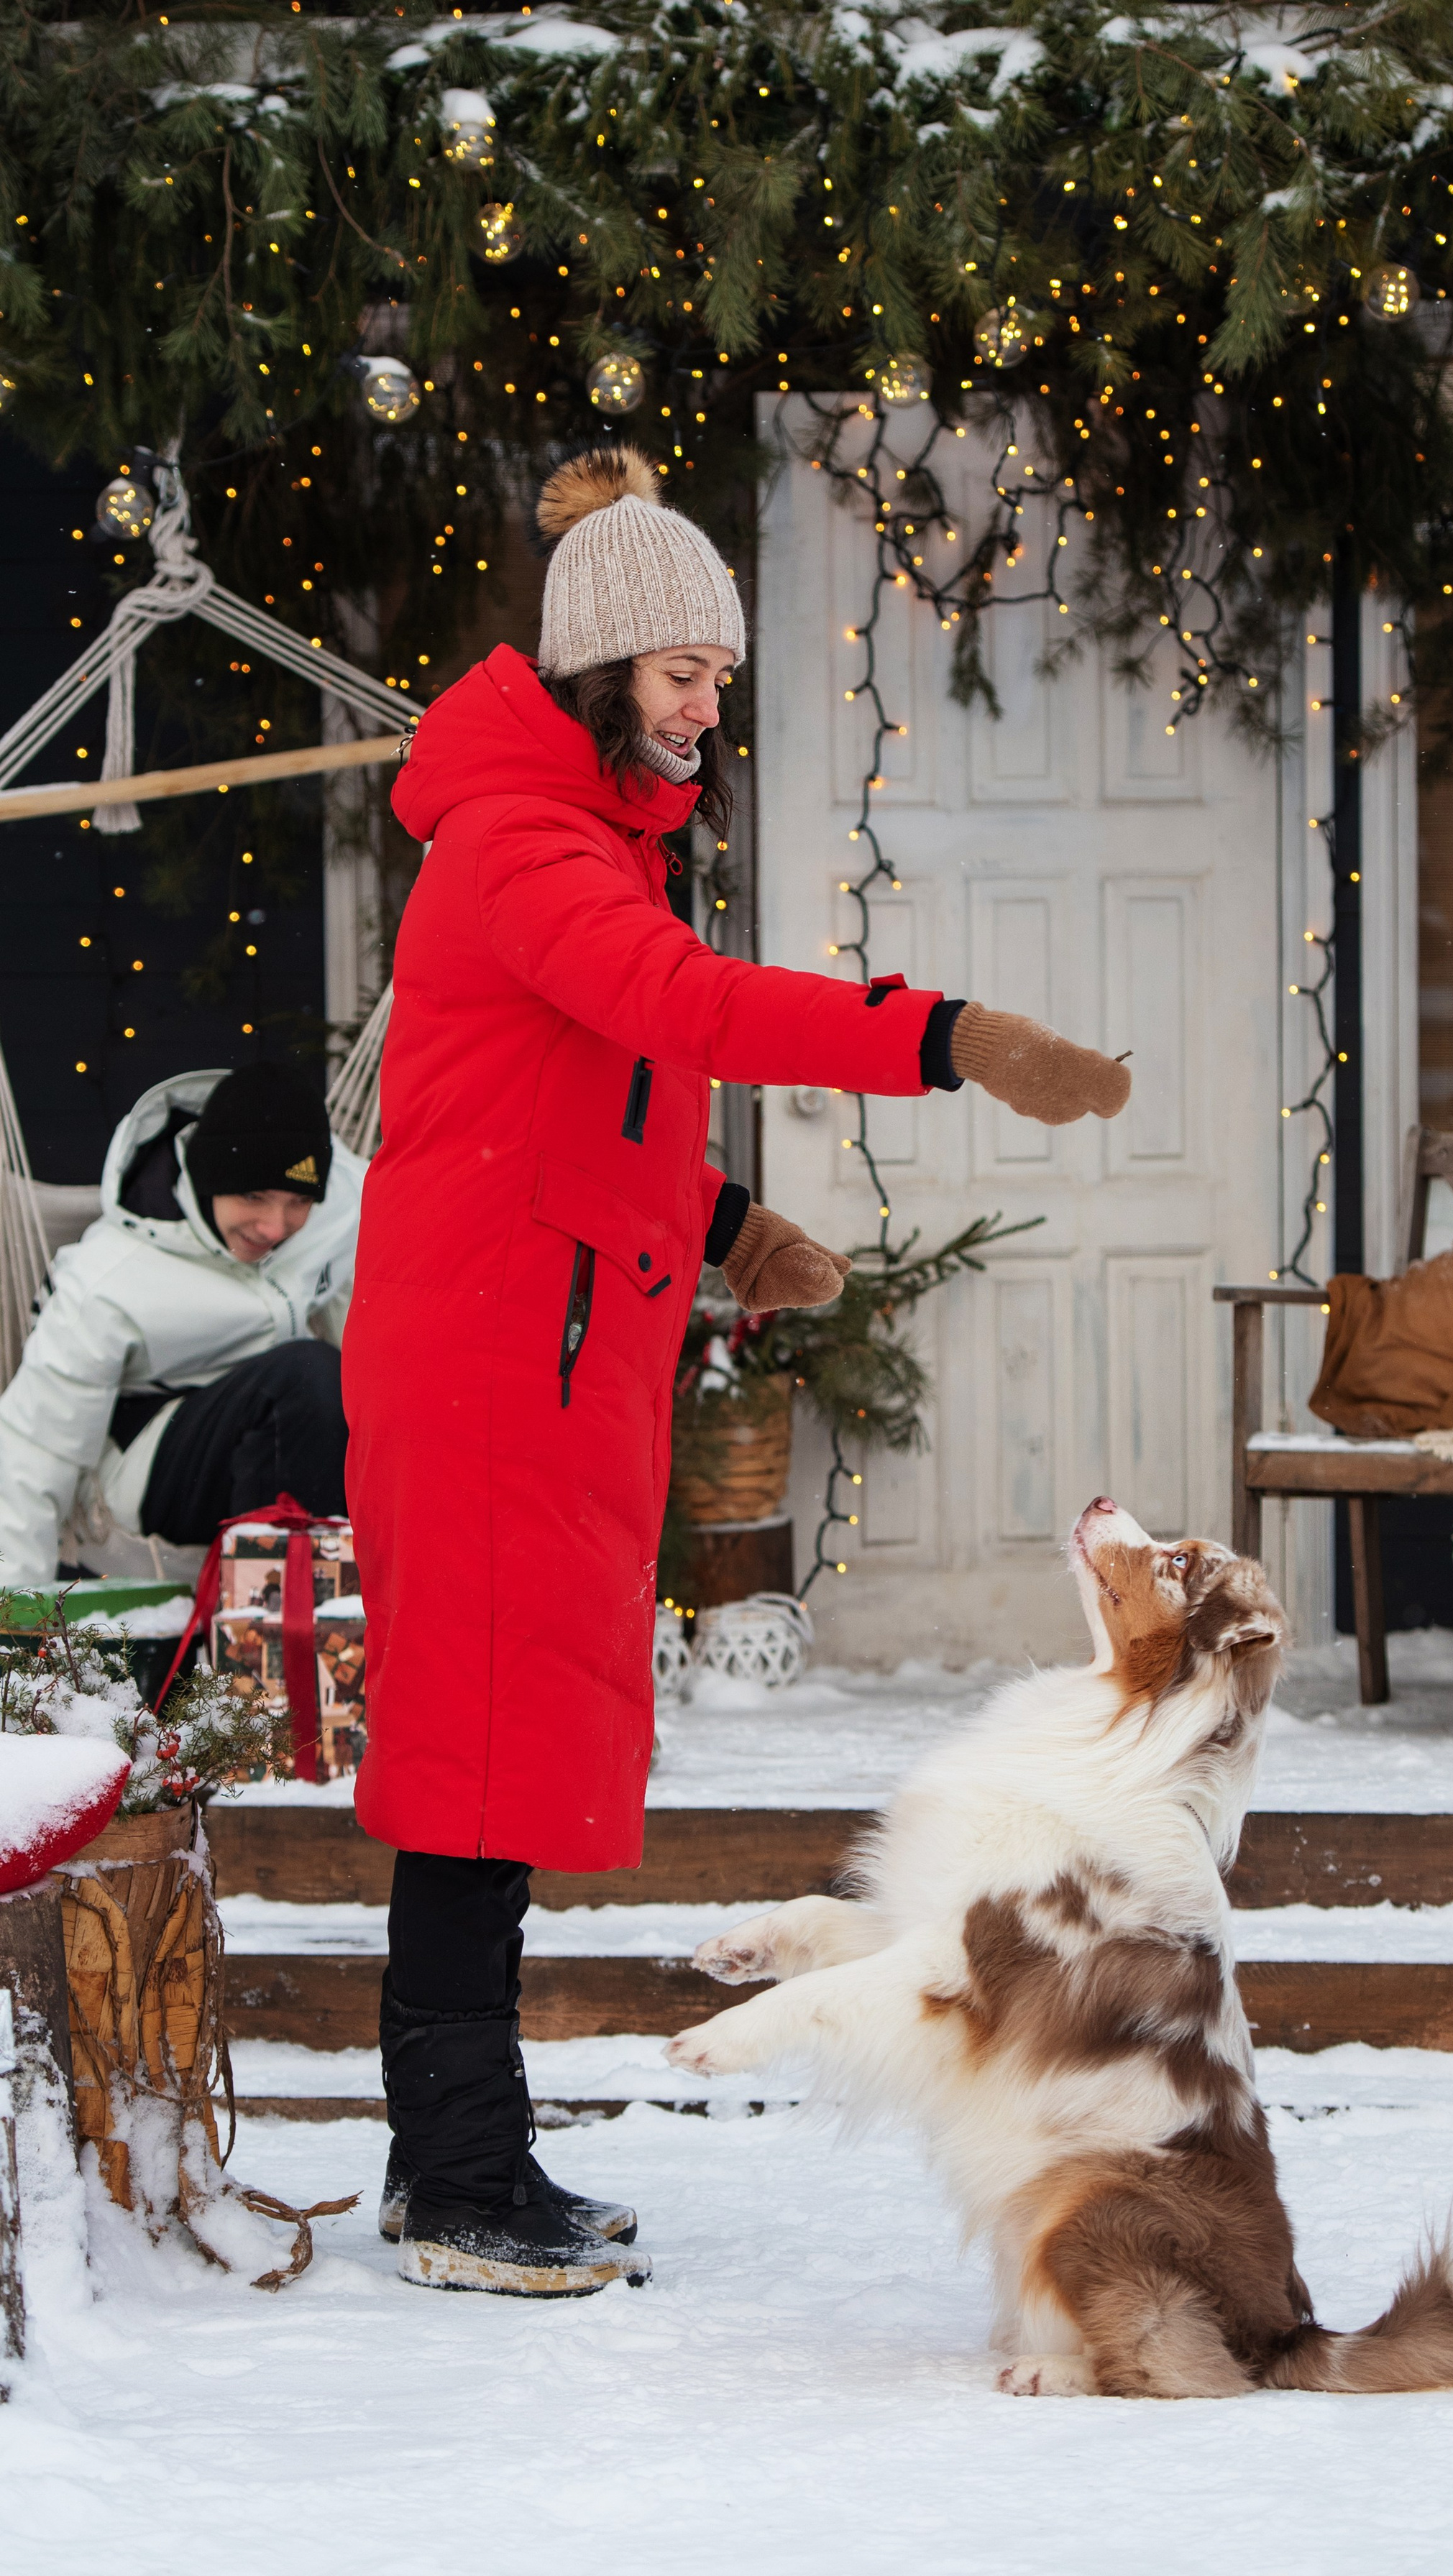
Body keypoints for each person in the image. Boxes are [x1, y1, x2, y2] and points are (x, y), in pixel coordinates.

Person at [343, 445, 1131, 2299]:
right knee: (472, 1771)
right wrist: (946, 1036)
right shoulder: (524, 843)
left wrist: (709, 1230)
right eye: (685, 672)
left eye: (720, 675)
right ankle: (454, 2180)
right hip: (482, 1376)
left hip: (543, 1356)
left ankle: (457, 2160)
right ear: (605, 668)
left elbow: (546, 1107)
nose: (711, 704)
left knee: (509, 1759)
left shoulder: (588, 833)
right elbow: (680, 1011)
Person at [0, 1061, 360, 1590]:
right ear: (208, 1178)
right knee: (306, 1381)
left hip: (288, 1450)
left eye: (299, 1202)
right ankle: (272, 1632)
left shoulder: (346, 1212)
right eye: (254, 1197)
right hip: (141, 1481)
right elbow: (34, 1449)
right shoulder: (108, 1280)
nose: (275, 1227)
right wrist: (14, 1621)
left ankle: (347, 1610)